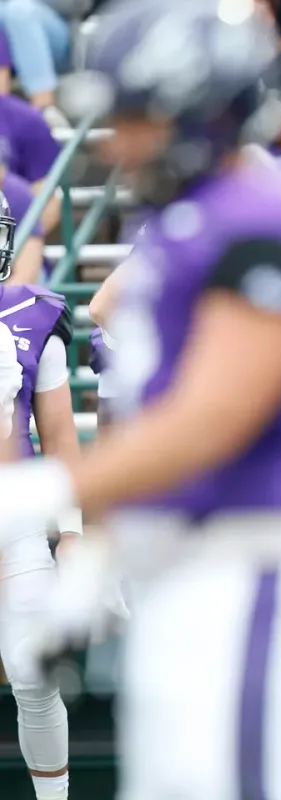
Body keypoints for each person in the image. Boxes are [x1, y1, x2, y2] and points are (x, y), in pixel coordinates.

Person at [0, 2, 281, 796]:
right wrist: (97, 550)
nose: (121, 140)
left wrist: (34, 493)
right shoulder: (179, 222)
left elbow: (211, 419)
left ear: (198, 108)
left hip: (259, 559)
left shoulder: (272, 221)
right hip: (187, 561)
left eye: (137, 115)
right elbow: (155, 413)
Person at [0, 191, 79, 800]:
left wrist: (72, 530)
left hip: (14, 519)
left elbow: (58, 439)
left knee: (33, 676)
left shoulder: (29, 319)